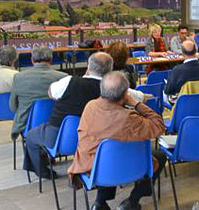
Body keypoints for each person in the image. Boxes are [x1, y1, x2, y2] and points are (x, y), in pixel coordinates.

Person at [23, 52, 146, 178]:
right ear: (110, 70)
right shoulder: (116, 88)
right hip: (99, 139)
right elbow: (141, 97)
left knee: (31, 136)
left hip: (60, 136)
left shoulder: (69, 82)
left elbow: (51, 93)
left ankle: (44, 172)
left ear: (88, 67)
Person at [68, 72, 166, 210]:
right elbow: (159, 126)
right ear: (125, 94)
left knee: (107, 154)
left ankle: (99, 203)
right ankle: (132, 201)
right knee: (160, 155)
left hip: (92, 168)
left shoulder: (90, 106)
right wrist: (137, 104)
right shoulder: (130, 118)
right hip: (125, 167)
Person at [10, 46, 67, 141]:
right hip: (55, 125)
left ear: (32, 60)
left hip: (26, 125)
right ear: (51, 60)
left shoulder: (18, 77)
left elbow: (13, 106)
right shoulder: (64, 78)